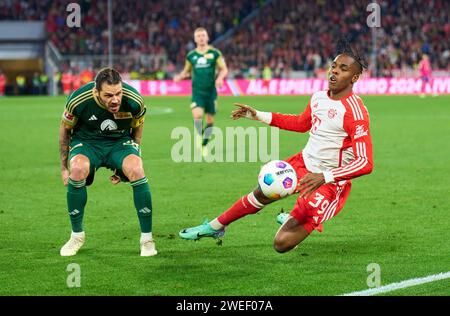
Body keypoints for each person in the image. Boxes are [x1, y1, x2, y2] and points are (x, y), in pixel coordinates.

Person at [179, 40, 374, 253]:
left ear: (354, 78)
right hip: (303, 163)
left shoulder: (355, 112)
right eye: (333, 66)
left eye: (343, 69)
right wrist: (258, 115)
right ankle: (215, 227)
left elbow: (365, 163)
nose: (334, 72)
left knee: (281, 244)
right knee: (262, 192)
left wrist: (324, 176)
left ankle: (295, 216)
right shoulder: (318, 97)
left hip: (328, 182)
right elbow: (301, 124)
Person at [59, 67, 157, 257]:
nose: (115, 100)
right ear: (96, 92)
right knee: (78, 170)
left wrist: (132, 157)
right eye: (109, 95)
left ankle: (147, 239)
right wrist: (64, 168)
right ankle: (76, 236)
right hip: (87, 142)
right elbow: (65, 130)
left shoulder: (134, 101)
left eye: (118, 93)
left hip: (119, 142)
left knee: (137, 169)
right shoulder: (78, 99)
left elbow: (138, 128)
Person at [173, 27, 228, 153]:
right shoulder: (191, 56)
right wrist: (180, 76)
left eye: (203, 35)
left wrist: (220, 78)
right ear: (195, 39)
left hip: (211, 92)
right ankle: (199, 136)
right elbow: (186, 71)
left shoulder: (215, 54)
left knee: (210, 120)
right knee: (197, 115)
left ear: (207, 37)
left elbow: (224, 69)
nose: (201, 38)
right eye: (198, 36)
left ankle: (205, 143)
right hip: (197, 91)